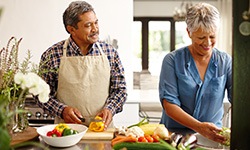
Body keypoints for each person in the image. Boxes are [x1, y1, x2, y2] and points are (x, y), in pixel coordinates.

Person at [36, 1, 127, 129]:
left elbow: (120, 90)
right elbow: (40, 95)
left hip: (103, 131)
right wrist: (62, 110)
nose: (95, 29)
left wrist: (110, 109)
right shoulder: (52, 55)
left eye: (96, 22)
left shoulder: (110, 53)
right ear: (71, 29)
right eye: (88, 25)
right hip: (67, 132)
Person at [159, 3, 231, 144]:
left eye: (212, 36)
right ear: (189, 32)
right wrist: (199, 127)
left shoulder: (225, 61)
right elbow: (170, 105)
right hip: (175, 138)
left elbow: (239, 100)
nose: (208, 43)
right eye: (201, 37)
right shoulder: (172, 60)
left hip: (213, 137)